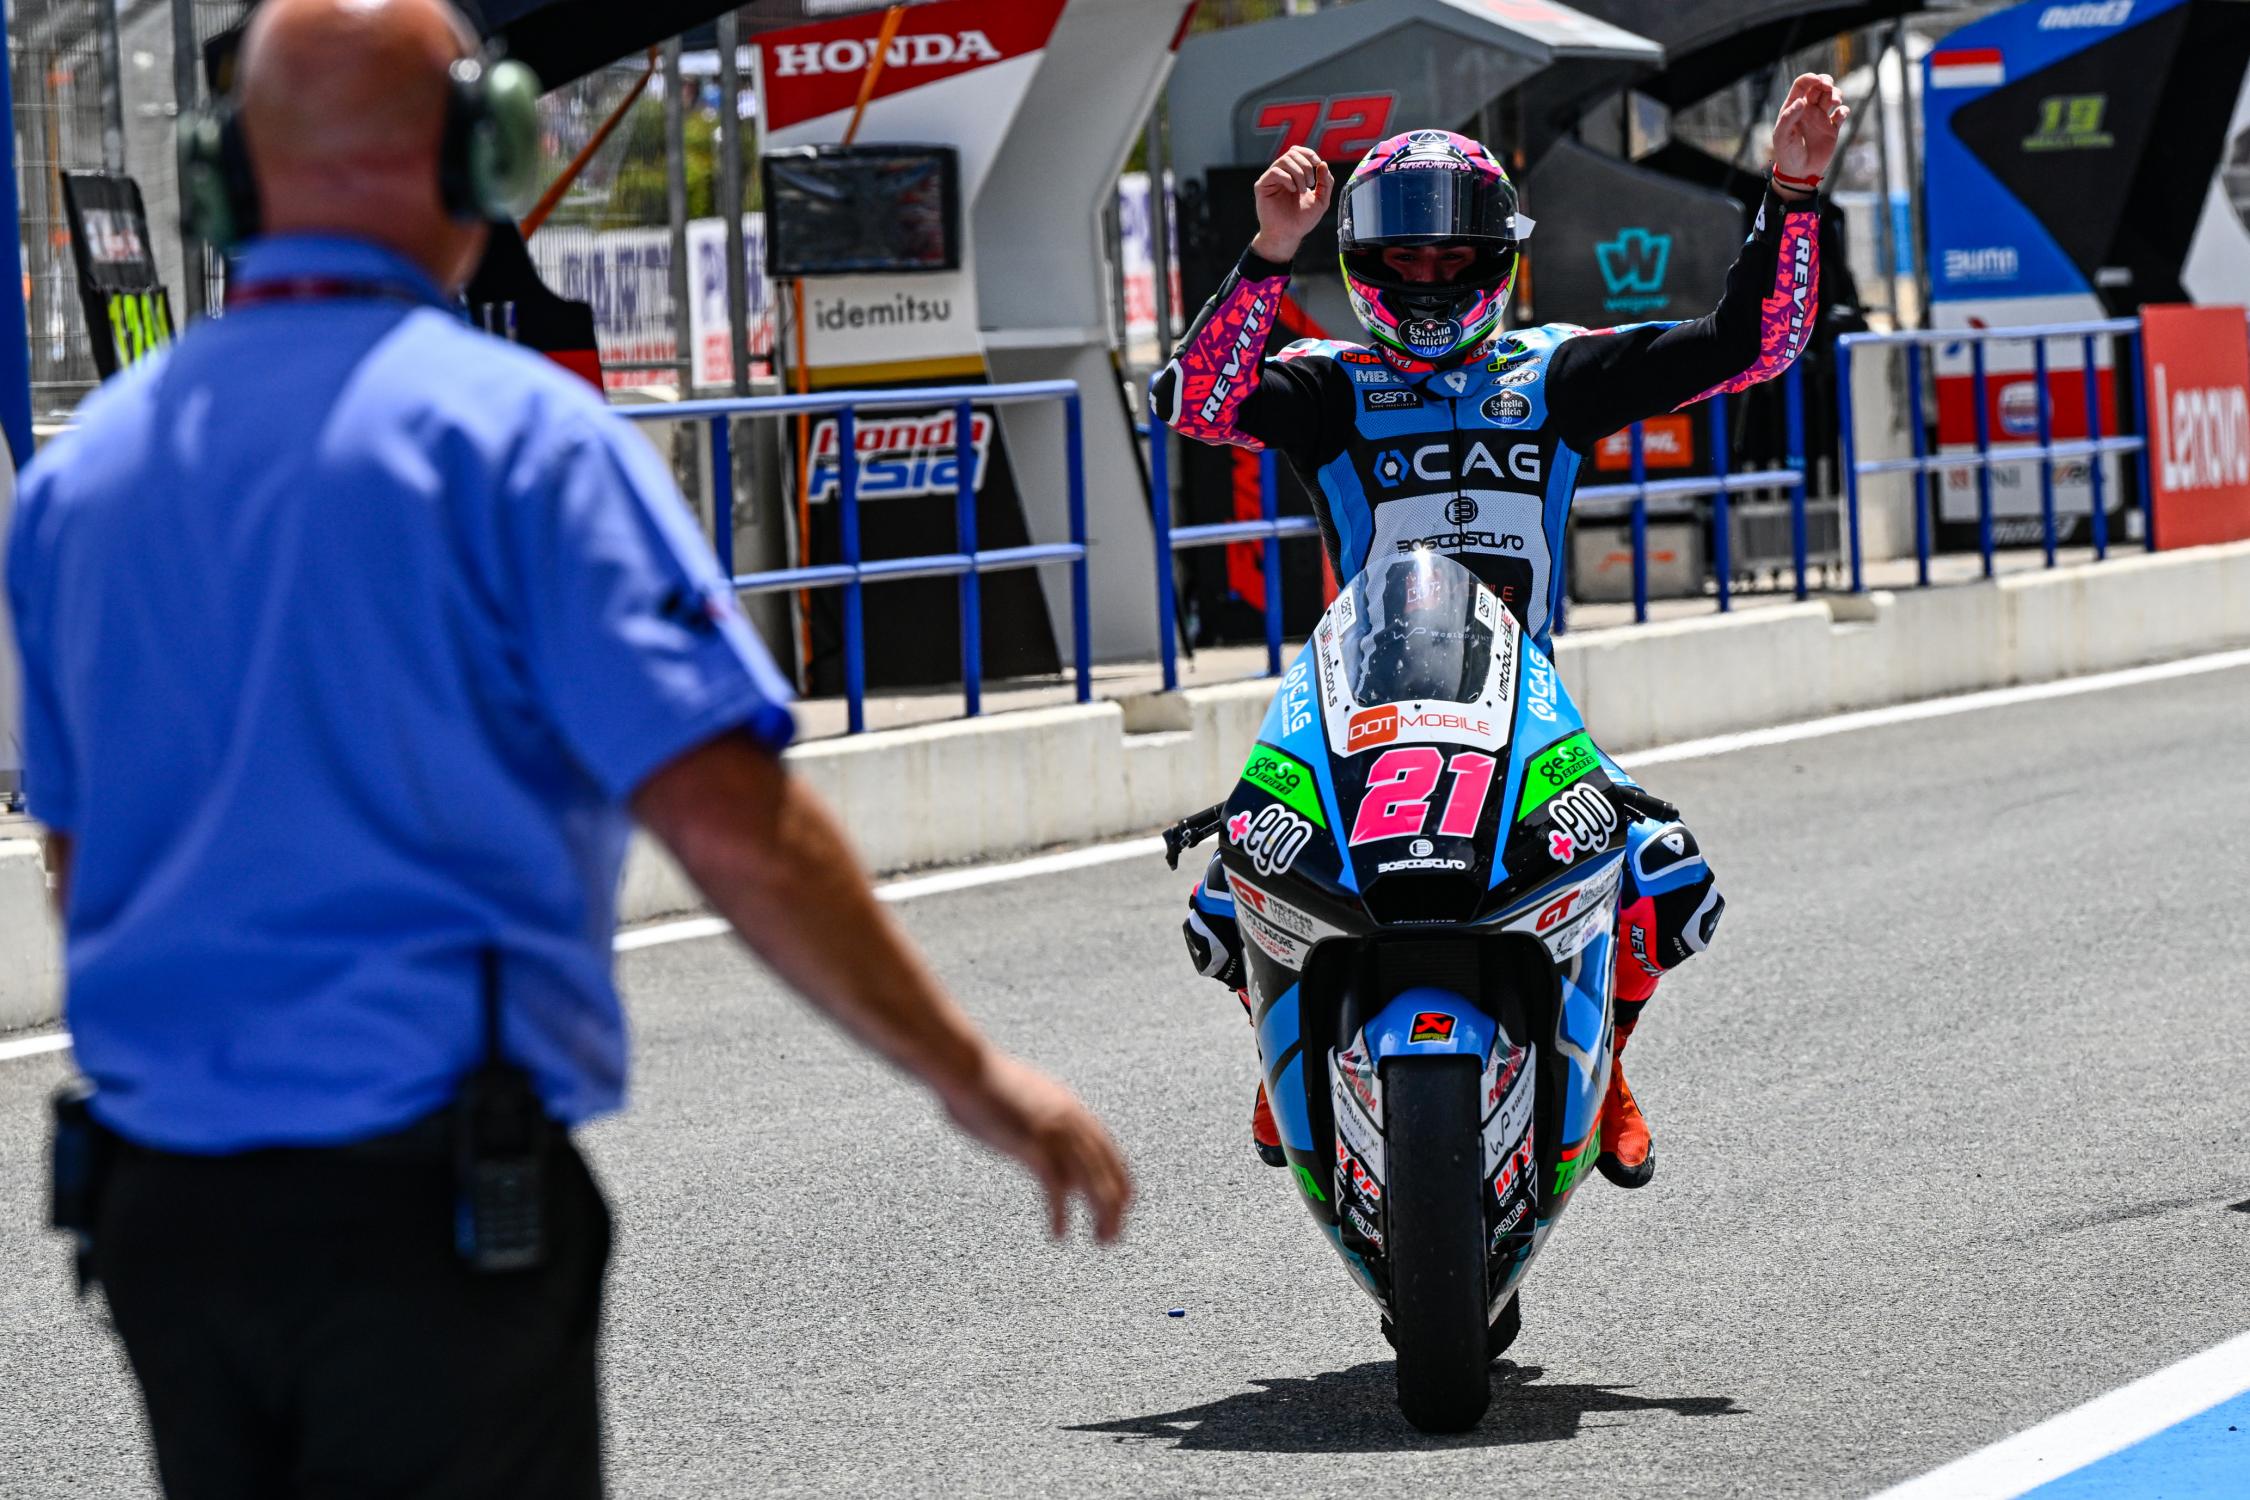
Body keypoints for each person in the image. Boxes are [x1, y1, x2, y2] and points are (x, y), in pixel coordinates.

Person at [4, 0, 1131, 1494]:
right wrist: (970, 1072)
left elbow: (80, 860)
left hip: (160, 1217)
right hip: (429, 1219)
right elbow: (730, 819)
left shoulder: (86, 484)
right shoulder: (527, 446)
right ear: (477, 156)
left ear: (227, 177)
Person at [1160, 78, 1847, 1191]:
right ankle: (1283, 1052)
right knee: (1226, 892)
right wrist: (1267, 251)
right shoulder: (1327, 385)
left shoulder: (1553, 375)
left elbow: (1754, 345)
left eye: (1453, 258)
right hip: (1356, 712)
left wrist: (1795, 192)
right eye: (1404, 259)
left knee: (1672, 881)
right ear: (1361, 267)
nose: (1429, 279)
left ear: (1498, 263)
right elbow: (1193, 403)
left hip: (1520, 710)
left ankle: (1606, 1065)